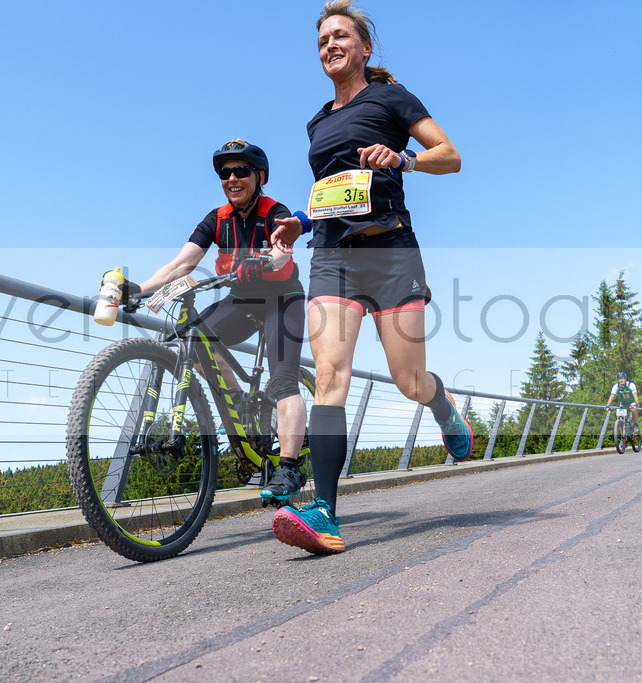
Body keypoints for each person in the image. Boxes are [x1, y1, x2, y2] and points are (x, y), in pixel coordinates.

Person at [267, 0, 473, 555]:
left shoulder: (390, 97)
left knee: (409, 381)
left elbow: (449, 156)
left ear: (364, 47)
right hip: (331, 255)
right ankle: (326, 513)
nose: (329, 46)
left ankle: (439, 402)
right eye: (321, 41)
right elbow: (338, 192)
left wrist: (403, 158)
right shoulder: (318, 122)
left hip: (391, 254)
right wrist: (300, 222)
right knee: (331, 374)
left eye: (339, 37)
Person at [125, 139, 309, 502]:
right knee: (193, 337)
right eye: (225, 173)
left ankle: (288, 467)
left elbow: (281, 255)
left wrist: (266, 261)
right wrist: (139, 289)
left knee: (283, 380)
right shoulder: (216, 219)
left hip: (281, 300)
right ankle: (239, 403)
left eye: (241, 171)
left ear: (260, 177)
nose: (232, 178)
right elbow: (181, 265)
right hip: (241, 299)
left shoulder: (275, 211)